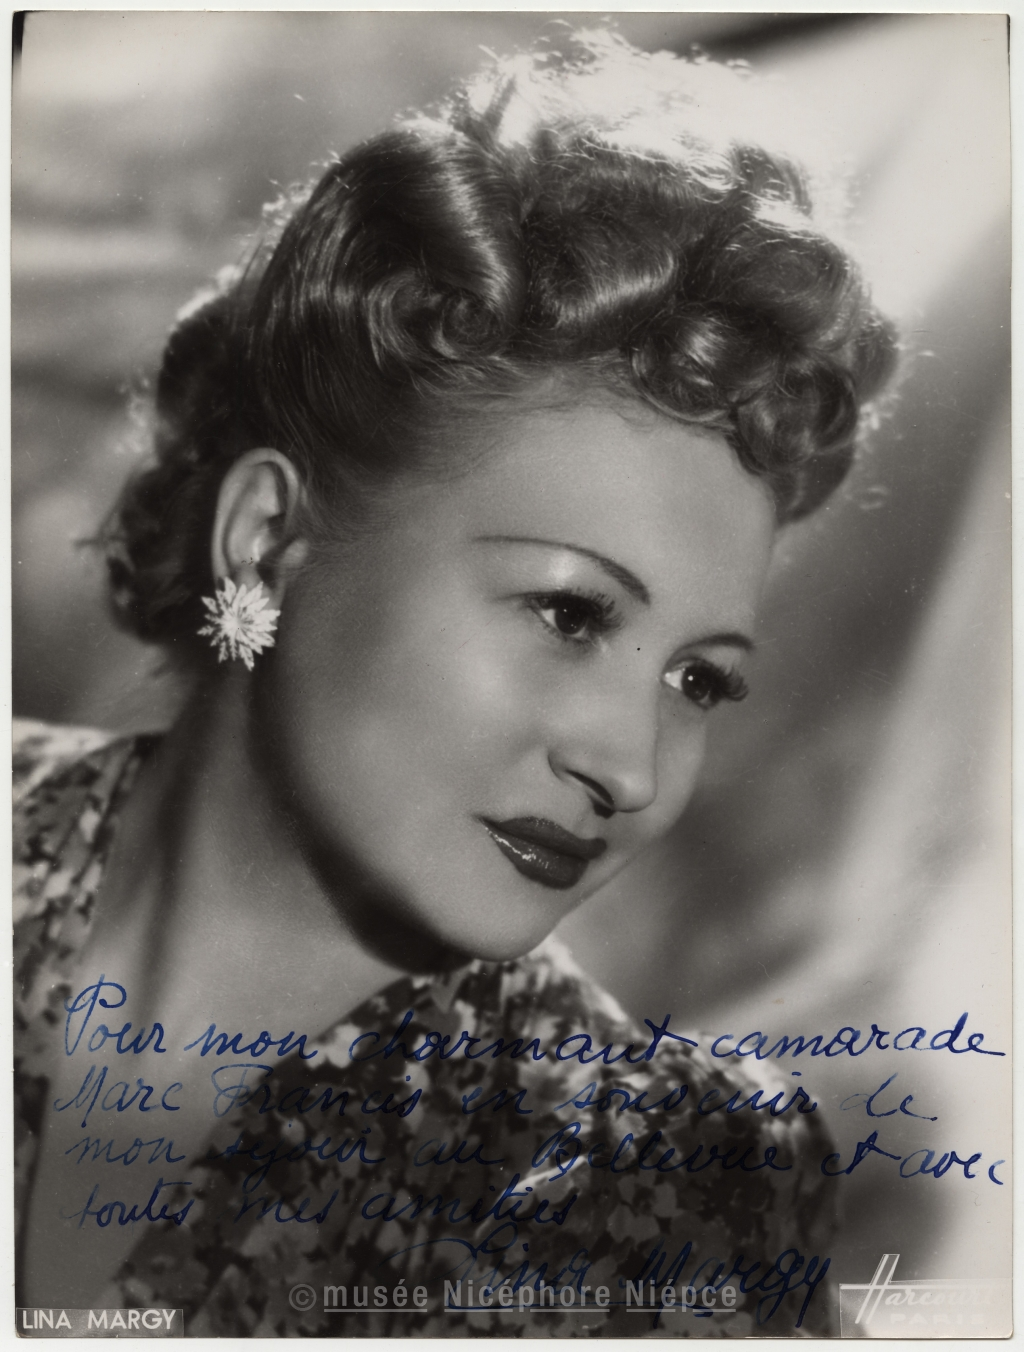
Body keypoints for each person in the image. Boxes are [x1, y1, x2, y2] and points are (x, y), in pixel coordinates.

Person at [14, 31, 896, 1337]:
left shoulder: (659, 1195)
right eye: (570, 612)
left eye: (700, 680)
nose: (631, 768)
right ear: (267, 539)